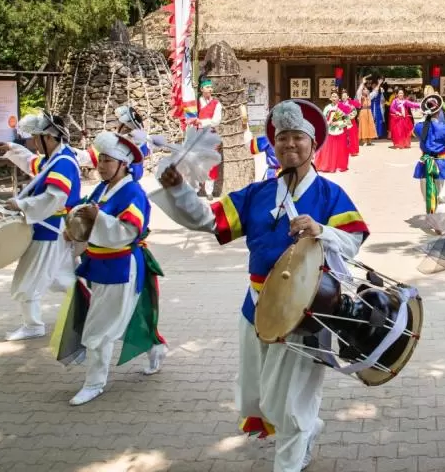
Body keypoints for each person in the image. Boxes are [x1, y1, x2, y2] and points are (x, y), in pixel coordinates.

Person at [154, 99, 369, 472]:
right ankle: (306, 429)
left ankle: (289, 460)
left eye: (297, 137)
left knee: (291, 401)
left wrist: (323, 230)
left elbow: (354, 239)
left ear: (313, 144)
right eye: (281, 137)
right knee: (263, 398)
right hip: (255, 309)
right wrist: (179, 191)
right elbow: (209, 220)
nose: (289, 144)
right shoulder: (256, 194)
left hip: (308, 313)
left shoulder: (331, 195)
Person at [66, 131, 166, 405]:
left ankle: (94, 383)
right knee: (121, 319)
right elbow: (87, 219)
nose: (100, 165)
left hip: (120, 265)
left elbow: (130, 230)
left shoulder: (133, 192)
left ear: (123, 164)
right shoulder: (103, 188)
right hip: (101, 265)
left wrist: (99, 218)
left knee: (99, 328)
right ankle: (156, 347)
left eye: (107, 161)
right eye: (100, 159)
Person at [0, 112, 82, 341]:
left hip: (49, 230)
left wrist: (21, 204)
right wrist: (11, 148)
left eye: (36, 138)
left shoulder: (62, 163)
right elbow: (34, 165)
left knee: (27, 280)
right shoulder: (56, 158)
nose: (33, 143)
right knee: (64, 279)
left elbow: (54, 198)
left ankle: (33, 325)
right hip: (55, 230)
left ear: (49, 138)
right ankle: (89, 309)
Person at [413, 94, 445, 214]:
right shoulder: (444, 128)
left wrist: (425, 116)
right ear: (438, 111)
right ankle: (440, 222)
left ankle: (432, 216)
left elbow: (416, 129)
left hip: (425, 164)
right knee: (443, 196)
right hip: (441, 165)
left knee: (428, 194)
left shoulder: (419, 128)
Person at [197, 80, 225, 198]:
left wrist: (201, 122)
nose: (210, 89)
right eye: (207, 87)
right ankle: (194, 189)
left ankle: (209, 191)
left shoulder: (216, 104)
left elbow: (216, 120)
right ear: (201, 89)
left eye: (211, 87)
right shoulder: (195, 103)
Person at [316, 91, 350, 173]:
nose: (334, 98)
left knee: (340, 149)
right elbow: (323, 119)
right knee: (328, 149)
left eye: (336, 96)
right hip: (329, 130)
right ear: (330, 98)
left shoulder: (343, 107)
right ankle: (327, 165)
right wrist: (328, 123)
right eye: (333, 96)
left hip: (339, 130)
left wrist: (338, 123)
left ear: (339, 98)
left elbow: (347, 120)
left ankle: (339, 165)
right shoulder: (327, 107)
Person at [338, 89, 360, 157]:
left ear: (348, 96)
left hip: (351, 121)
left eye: (345, 96)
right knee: (343, 136)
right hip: (343, 121)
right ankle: (344, 151)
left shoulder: (351, 104)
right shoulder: (340, 104)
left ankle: (353, 151)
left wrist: (348, 117)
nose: (343, 97)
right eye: (342, 96)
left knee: (352, 136)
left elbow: (354, 112)